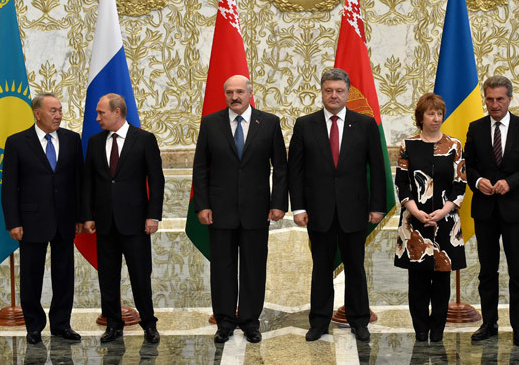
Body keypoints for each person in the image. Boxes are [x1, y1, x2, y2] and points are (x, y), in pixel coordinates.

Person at [288, 68, 387, 343]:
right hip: (318, 212)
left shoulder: (365, 124)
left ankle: (359, 320)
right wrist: (298, 208)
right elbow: (295, 170)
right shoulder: (305, 124)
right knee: (321, 268)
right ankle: (319, 322)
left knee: (356, 267)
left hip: (354, 211)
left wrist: (377, 206)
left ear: (347, 92)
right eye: (328, 90)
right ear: (321, 92)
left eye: (339, 91)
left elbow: (377, 169)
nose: (334, 95)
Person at [192, 75, 288, 344]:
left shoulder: (269, 123)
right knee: (222, 268)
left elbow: (281, 166)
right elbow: (200, 167)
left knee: (253, 267)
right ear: (225, 95)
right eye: (230, 92)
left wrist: (279, 203)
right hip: (219, 211)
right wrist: (202, 205)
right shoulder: (211, 123)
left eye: (240, 92)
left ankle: (249, 321)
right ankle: (224, 322)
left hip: (257, 210)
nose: (235, 97)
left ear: (250, 93)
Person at [464, 75, 519, 346]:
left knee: (518, 271)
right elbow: (468, 166)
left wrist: (511, 182)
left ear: (510, 98)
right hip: (485, 211)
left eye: (500, 99)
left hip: (515, 211)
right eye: (490, 99)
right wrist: (477, 181)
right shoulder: (475, 128)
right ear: (484, 99)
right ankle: (489, 323)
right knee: (487, 271)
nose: (494, 104)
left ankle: (518, 327)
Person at [1, 93, 84, 344]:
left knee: (64, 275)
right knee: (31, 276)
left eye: (60, 110)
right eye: (53, 111)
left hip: (64, 220)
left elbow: (78, 182)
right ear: (37, 113)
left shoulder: (72, 139)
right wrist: (13, 222)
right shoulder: (17, 142)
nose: (58, 115)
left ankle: (61, 324)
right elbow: (9, 187)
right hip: (31, 221)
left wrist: (80, 216)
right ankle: (34, 326)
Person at [82, 93, 164, 344]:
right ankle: (113, 324)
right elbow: (88, 182)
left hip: (136, 223)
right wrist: (87, 215)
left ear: (117, 112)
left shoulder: (144, 139)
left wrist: (153, 216)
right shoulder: (95, 142)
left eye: (101, 113)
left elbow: (157, 180)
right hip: (105, 223)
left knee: (140, 275)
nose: (97, 118)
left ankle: (148, 323)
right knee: (107, 276)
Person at [394, 93, 466, 342]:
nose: (436, 119)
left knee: (442, 281)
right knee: (418, 280)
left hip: (446, 223)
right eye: (430, 114)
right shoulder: (408, 145)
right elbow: (401, 185)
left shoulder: (455, 145)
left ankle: (437, 330)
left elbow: (460, 186)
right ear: (421, 117)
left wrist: (444, 210)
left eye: (439, 114)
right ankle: (420, 330)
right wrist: (415, 211)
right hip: (414, 222)